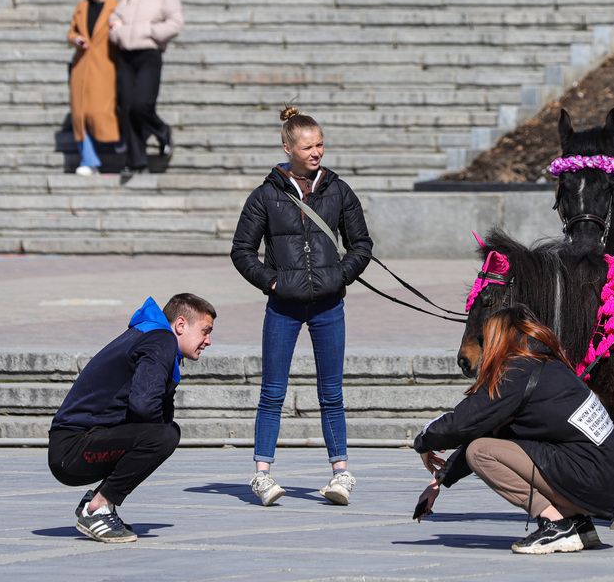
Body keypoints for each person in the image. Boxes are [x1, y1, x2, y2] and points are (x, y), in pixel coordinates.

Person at [230, 106, 373, 507]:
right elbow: (242, 251)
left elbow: (361, 244)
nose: (316, 152)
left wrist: (340, 276)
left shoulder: (339, 191)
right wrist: (273, 281)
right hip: (283, 306)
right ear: (287, 146)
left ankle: (341, 474)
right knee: (272, 392)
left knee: (332, 393)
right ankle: (262, 475)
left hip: (329, 305)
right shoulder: (266, 195)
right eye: (308, 146)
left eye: (320, 144)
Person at [412, 305, 614, 555]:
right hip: (606, 479)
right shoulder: (545, 365)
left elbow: (463, 422)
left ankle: (557, 525)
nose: (485, 350)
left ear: (499, 339)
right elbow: (493, 433)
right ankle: (577, 524)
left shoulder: (518, 370)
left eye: (486, 341)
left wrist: (424, 441)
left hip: (593, 477)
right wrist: (440, 480)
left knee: (479, 452)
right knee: (486, 446)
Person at [48, 293, 216, 543]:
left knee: (164, 432)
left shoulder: (152, 338)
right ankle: (98, 508)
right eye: (205, 331)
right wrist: (156, 439)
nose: (208, 341)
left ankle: (98, 504)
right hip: (72, 450)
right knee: (163, 436)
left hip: (74, 445)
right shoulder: (160, 341)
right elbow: (144, 405)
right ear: (181, 325)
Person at [109, 0, 183, 177]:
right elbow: (114, 19)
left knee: (142, 104)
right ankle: (136, 160)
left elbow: (176, 23)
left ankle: (162, 131)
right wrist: (118, 33)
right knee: (128, 107)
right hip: (127, 56)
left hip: (149, 55)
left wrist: (149, 31)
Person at [66, 0, 120, 175]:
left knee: (100, 112)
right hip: (82, 67)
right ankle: (89, 160)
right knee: (79, 115)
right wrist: (75, 39)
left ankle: (119, 144)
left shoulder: (115, 6)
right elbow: (71, 31)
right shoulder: (81, 6)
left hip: (104, 67)